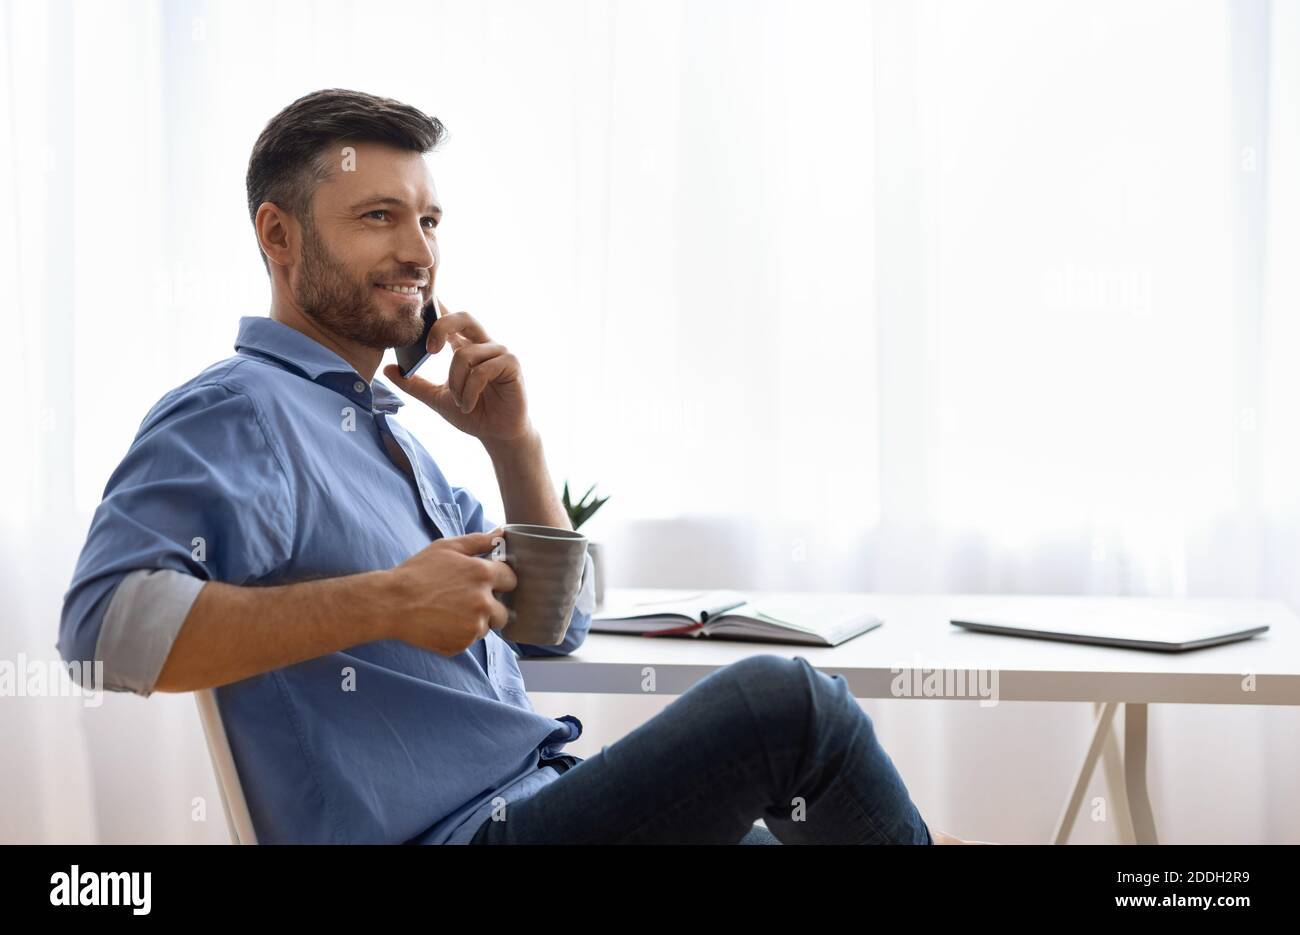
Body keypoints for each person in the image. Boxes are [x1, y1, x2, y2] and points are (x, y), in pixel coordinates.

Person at [60, 88, 982, 845]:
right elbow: (101, 636)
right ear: (279, 235)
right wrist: (387, 600)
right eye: (378, 217)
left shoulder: (389, 434)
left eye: (427, 219)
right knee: (790, 708)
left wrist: (511, 441)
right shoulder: (242, 409)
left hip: (536, 801)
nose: (418, 250)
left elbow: (554, 623)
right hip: (457, 837)